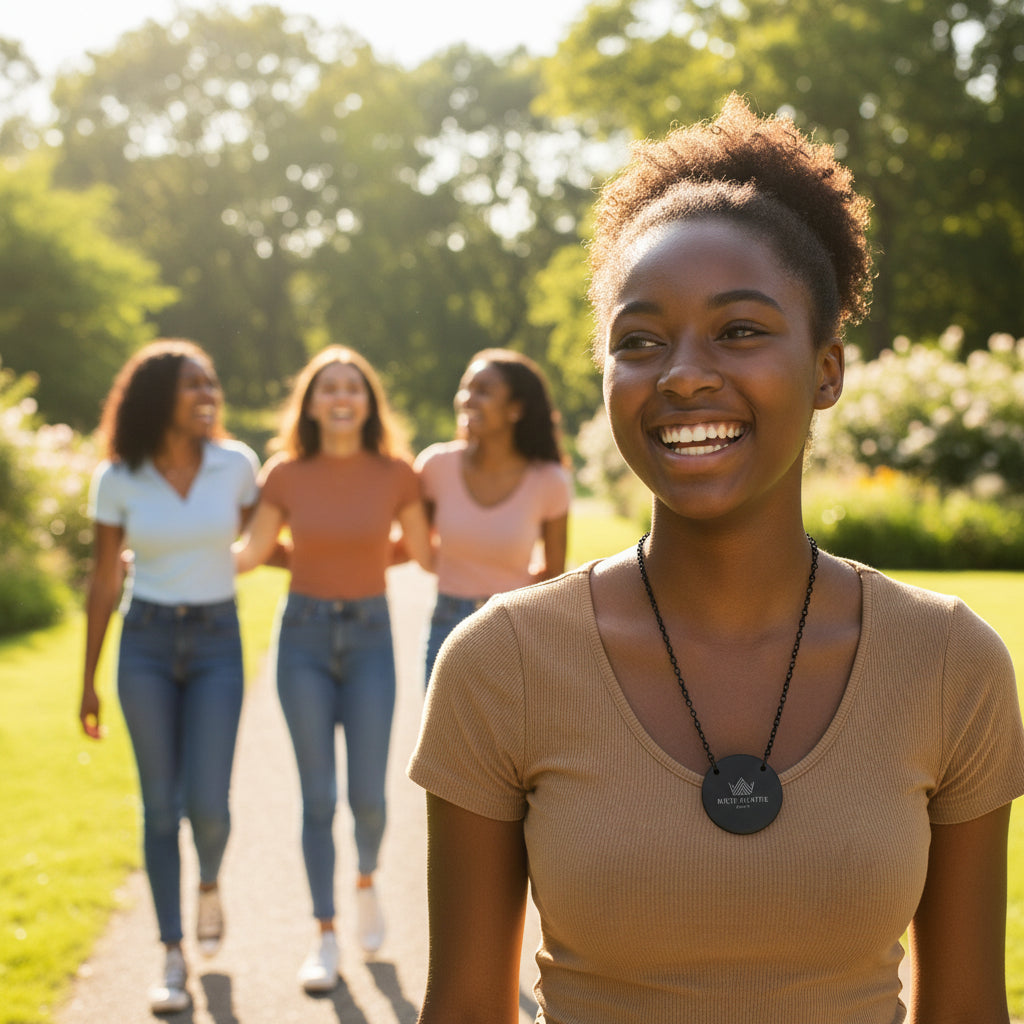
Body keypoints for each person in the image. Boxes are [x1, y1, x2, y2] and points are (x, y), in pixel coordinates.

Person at [407, 95, 1024, 1023]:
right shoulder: (501, 666)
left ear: (828, 370)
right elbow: (461, 1011)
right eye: (640, 341)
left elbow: (969, 1011)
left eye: (738, 330)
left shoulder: (949, 665)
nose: (683, 373)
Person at [233, 344, 432, 994]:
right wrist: (161, 552)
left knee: (369, 798)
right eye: (329, 388)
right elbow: (254, 552)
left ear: (369, 401)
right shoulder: (284, 474)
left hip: (372, 637)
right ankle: (324, 932)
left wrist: (368, 559)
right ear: (310, 403)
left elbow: (423, 553)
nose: (342, 398)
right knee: (318, 799)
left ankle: (367, 880)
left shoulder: (398, 473)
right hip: (304, 641)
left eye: (353, 387)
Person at [79, 339, 260, 1014]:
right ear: (158, 397)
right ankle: (171, 950)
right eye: (193, 385)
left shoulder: (236, 466)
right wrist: (88, 680)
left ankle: (209, 880)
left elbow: (262, 540)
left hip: (217, 641)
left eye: (212, 383)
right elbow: (102, 580)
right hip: (146, 643)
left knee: (208, 806)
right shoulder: (118, 477)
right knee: (160, 807)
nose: (208, 395)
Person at [415, 348, 571, 684]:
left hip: (513, 625)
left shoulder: (549, 481)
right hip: (446, 622)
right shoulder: (435, 466)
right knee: (443, 737)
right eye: (466, 388)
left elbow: (555, 573)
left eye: (483, 391)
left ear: (516, 409)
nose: (468, 399)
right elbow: (419, 546)